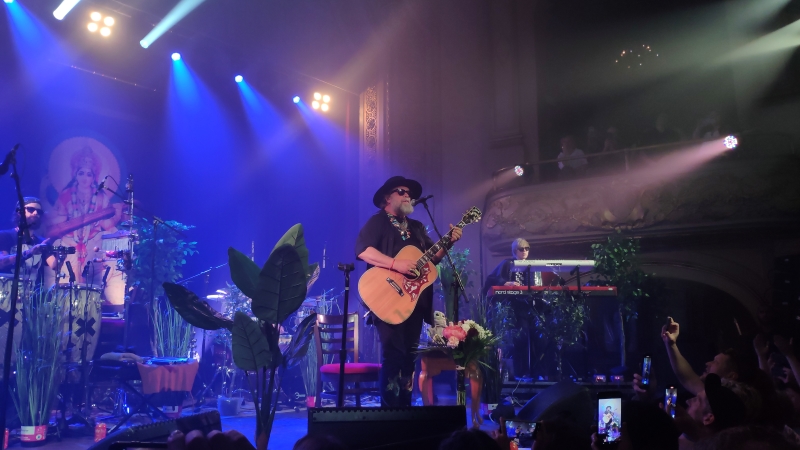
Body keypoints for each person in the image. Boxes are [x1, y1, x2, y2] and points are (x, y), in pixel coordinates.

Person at [355, 176, 462, 407]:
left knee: (409, 356)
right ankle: (389, 413)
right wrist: (396, 264)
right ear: (387, 197)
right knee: (394, 354)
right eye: (401, 191)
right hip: (387, 297)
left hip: (414, 301)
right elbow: (363, 251)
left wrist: (448, 243)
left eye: (409, 193)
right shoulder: (378, 222)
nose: (407, 195)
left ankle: (405, 409)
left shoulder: (416, 227)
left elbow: (431, 260)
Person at [46, 146, 124, 301]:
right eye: (81, 173)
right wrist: (59, 218)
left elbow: (106, 224)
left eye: (89, 174)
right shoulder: (66, 194)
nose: (85, 177)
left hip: (92, 245)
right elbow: (56, 220)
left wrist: (118, 213)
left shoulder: (101, 197)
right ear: (75, 174)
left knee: (91, 288)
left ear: (94, 177)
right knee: (67, 289)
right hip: (69, 244)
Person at [0, 197, 56, 281]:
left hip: (31, 289)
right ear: (19, 212)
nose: (35, 213)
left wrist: (62, 255)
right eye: (31, 209)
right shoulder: (4, 236)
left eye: (39, 211)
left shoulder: (41, 242)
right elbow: (1, 262)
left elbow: (54, 266)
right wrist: (29, 252)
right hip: (7, 288)